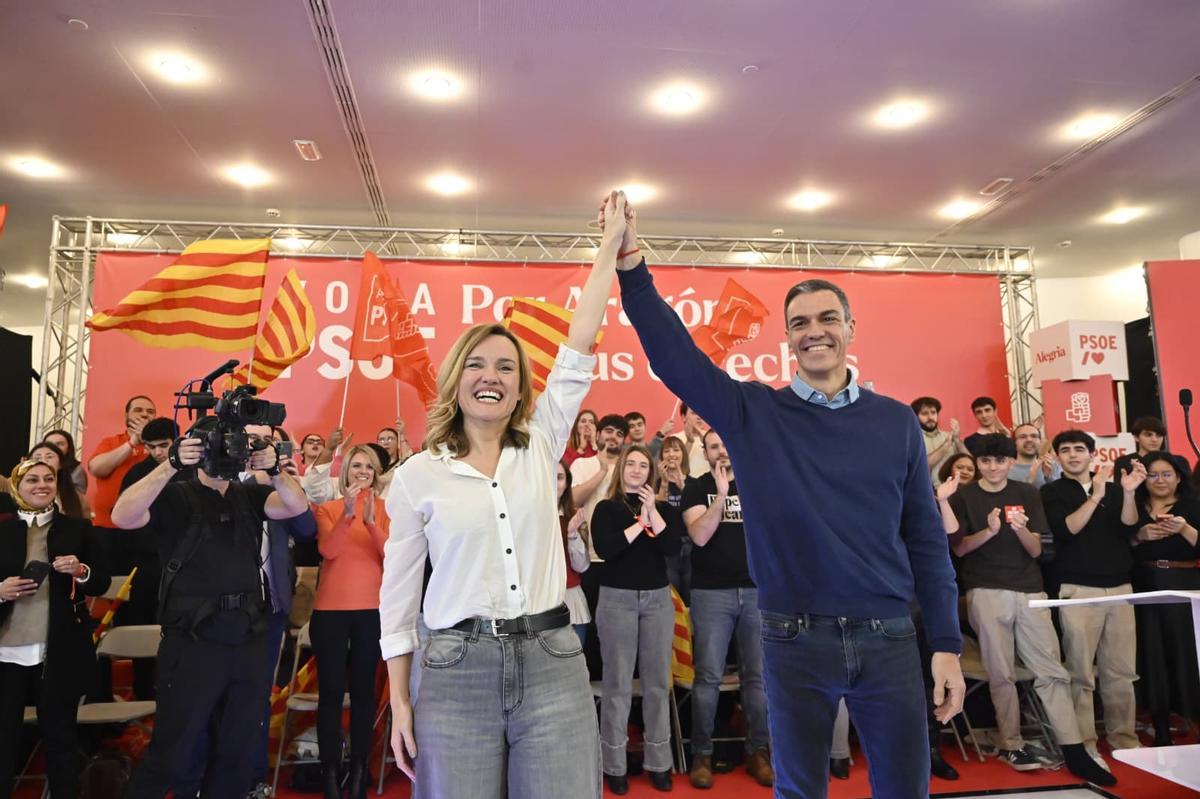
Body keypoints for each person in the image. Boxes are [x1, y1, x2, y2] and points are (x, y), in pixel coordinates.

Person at [616, 202, 965, 799]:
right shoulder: (756, 413)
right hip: (793, 637)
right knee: (800, 791)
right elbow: (675, 358)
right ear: (788, 338)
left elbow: (927, 541)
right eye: (800, 322)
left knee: (906, 790)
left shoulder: (896, 422)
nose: (814, 331)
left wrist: (948, 645)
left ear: (851, 328)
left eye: (828, 317)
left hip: (889, 637)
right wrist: (631, 266)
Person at [378, 191, 629, 799]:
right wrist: (401, 703)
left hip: (553, 662)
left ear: (521, 390)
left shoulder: (541, 444)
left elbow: (580, 346)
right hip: (453, 670)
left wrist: (608, 247)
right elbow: (399, 597)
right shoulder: (418, 475)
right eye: (477, 365)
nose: (491, 376)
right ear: (456, 378)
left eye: (507, 368)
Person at [112, 416, 309, 798]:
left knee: (237, 747)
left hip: (247, 636)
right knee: (175, 747)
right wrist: (171, 463)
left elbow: (296, 507)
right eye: (217, 445)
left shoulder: (251, 496)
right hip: (193, 640)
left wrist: (273, 470)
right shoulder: (176, 495)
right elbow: (123, 516)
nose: (224, 453)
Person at [949, 434, 1114, 785]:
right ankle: (1011, 742)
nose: (993, 467)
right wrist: (991, 531)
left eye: (1001, 461)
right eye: (987, 461)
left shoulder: (1027, 494)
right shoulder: (965, 495)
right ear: (978, 463)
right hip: (985, 589)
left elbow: (1038, 550)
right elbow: (960, 549)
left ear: (1012, 462)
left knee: (1051, 669)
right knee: (1001, 672)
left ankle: (1073, 746)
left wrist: (1021, 531)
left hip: (1030, 589)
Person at [0, 460, 111, 799]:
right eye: (31, 479)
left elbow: (101, 582)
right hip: (5, 653)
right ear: (16, 486)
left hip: (58, 652)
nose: (41, 485)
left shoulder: (76, 528)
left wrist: (81, 570)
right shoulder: (2, 529)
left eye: (48, 478)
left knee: (61, 740)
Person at [1041, 430, 1144, 769]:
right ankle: (1084, 744)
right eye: (1065, 450)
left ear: (1092, 454)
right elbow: (1067, 529)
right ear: (1057, 457)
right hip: (1077, 589)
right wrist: (1096, 495)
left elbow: (1129, 528)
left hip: (1120, 587)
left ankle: (1124, 738)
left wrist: (1127, 494)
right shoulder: (1052, 492)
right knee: (1081, 673)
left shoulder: (1116, 489)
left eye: (1079, 449)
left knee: (1121, 671)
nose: (1073, 455)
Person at [680, 429, 772, 789]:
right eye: (714, 446)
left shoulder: (758, 482)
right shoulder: (696, 486)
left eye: (726, 444)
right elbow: (700, 536)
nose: (722, 451)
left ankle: (758, 753)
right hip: (711, 594)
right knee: (707, 679)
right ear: (705, 452)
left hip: (757, 593)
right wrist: (720, 497)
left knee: (757, 680)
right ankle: (702, 755)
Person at [592, 444, 683, 793]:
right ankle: (614, 764)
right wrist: (638, 524)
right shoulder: (607, 508)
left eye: (643, 465)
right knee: (616, 685)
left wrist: (651, 514)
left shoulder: (659, 509)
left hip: (658, 601)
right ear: (621, 470)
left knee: (658, 684)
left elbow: (672, 547)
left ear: (651, 472)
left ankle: (659, 762)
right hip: (617, 601)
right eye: (630, 464)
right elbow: (606, 548)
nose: (635, 469)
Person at [242, 425, 317, 795]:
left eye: (264, 440)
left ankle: (255, 781)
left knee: (257, 695)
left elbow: (306, 529)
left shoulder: (281, 482)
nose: (257, 445)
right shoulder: (213, 478)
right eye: (249, 437)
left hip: (269, 605)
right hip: (215, 611)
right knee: (210, 698)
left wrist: (283, 479)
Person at [311, 445, 388, 799]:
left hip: (370, 612)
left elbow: (391, 556)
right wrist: (347, 514)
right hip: (329, 613)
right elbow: (329, 551)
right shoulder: (327, 508)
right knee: (329, 696)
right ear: (346, 471)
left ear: (375, 473)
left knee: (362, 696)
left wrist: (371, 522)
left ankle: (358, 773)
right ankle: (329, 772)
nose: (362, 471)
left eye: (368, 467)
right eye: (356, 465)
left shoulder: (387, 510)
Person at [1129, 450, 1200, 746]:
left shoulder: (1194, 505)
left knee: (1188, 654)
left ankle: (1191, 717)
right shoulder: (1133, 506)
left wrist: (1184, 529)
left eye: (1166, 474)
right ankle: (1159, 726)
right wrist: (1139, 536)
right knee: (1151, 653)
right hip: (1144, 584)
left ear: (1179, 477)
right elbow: (1118, 544)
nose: (1159, 481)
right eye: (1153, 475)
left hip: (1185, 583)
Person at [87, 394, 156, 529]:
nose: (144, 415)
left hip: (148, 528)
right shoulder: (111, 442)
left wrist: (148, 440)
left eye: (150, 412)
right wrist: (132, 443)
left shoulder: (160, 446)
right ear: (126, 416)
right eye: (138, 410)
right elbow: (96, 469)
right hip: (108, 526)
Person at [571, 413, 629, 540]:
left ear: (623, 442)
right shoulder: (581, 464)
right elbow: (573, 500)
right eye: (609, 431)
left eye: (619, 434)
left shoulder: (629, 468)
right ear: (597, 435)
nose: (614, 436)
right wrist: (602, 472)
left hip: (621, 544)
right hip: (587, 545)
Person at [557, 461, 591, 644]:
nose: (554, 483)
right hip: (536, 603)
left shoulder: (573, 517)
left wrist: (571, 534)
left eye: (559, 477)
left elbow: (582, 566)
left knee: (575, 666)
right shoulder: (523, 517)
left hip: (570, 598)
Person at [656, 435, 691, 602]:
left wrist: (682, 484)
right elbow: (657, 511)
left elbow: (694, 509)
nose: (671, 454)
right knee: (671, 597)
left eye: (676, 450)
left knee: (691, 594)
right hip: (667, 549)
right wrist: (664, 483)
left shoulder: (694, 483)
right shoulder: (655, 483)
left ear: (683, 454)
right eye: (667, 450)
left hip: (691, 547)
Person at [26, 442, 90, 519]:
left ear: (60, 464)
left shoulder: (77, 497)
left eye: (49, 457)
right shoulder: (19, 491)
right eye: (37, 458)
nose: (43, 461)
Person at [910, 396, 965, 485]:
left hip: (954, 490)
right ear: (915, 416)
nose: (930, 417)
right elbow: (921, 467)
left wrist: (957, 440)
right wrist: (945, 446)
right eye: (925, 413)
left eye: (933, 412)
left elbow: (971, 464)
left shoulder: (949, 436)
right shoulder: (912, 439)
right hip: (928, 491)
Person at [1010, 423, 1058, 488]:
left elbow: (1062, 495)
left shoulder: (1053, 466)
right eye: (1023, 437)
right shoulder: (1006, 469)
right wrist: (1029, 480)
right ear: (1014, 443)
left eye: (1034, 436)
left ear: (1040, 442)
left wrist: (1048, 477)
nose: (1029, 440)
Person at [670, 402, 711, 477]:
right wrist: (689, 442)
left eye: (703, 413)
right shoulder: (674, 439)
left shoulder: (714, 438)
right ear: (683, 417)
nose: (699, 417)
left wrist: (706, 442)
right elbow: (673, 467)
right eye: (694, 413)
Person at [42, 429, 87, 496]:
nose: (54, 447)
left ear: (68, 448)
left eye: (60, 444)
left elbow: (74, 500)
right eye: (49, 444)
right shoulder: (38, 467)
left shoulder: (77, 469)